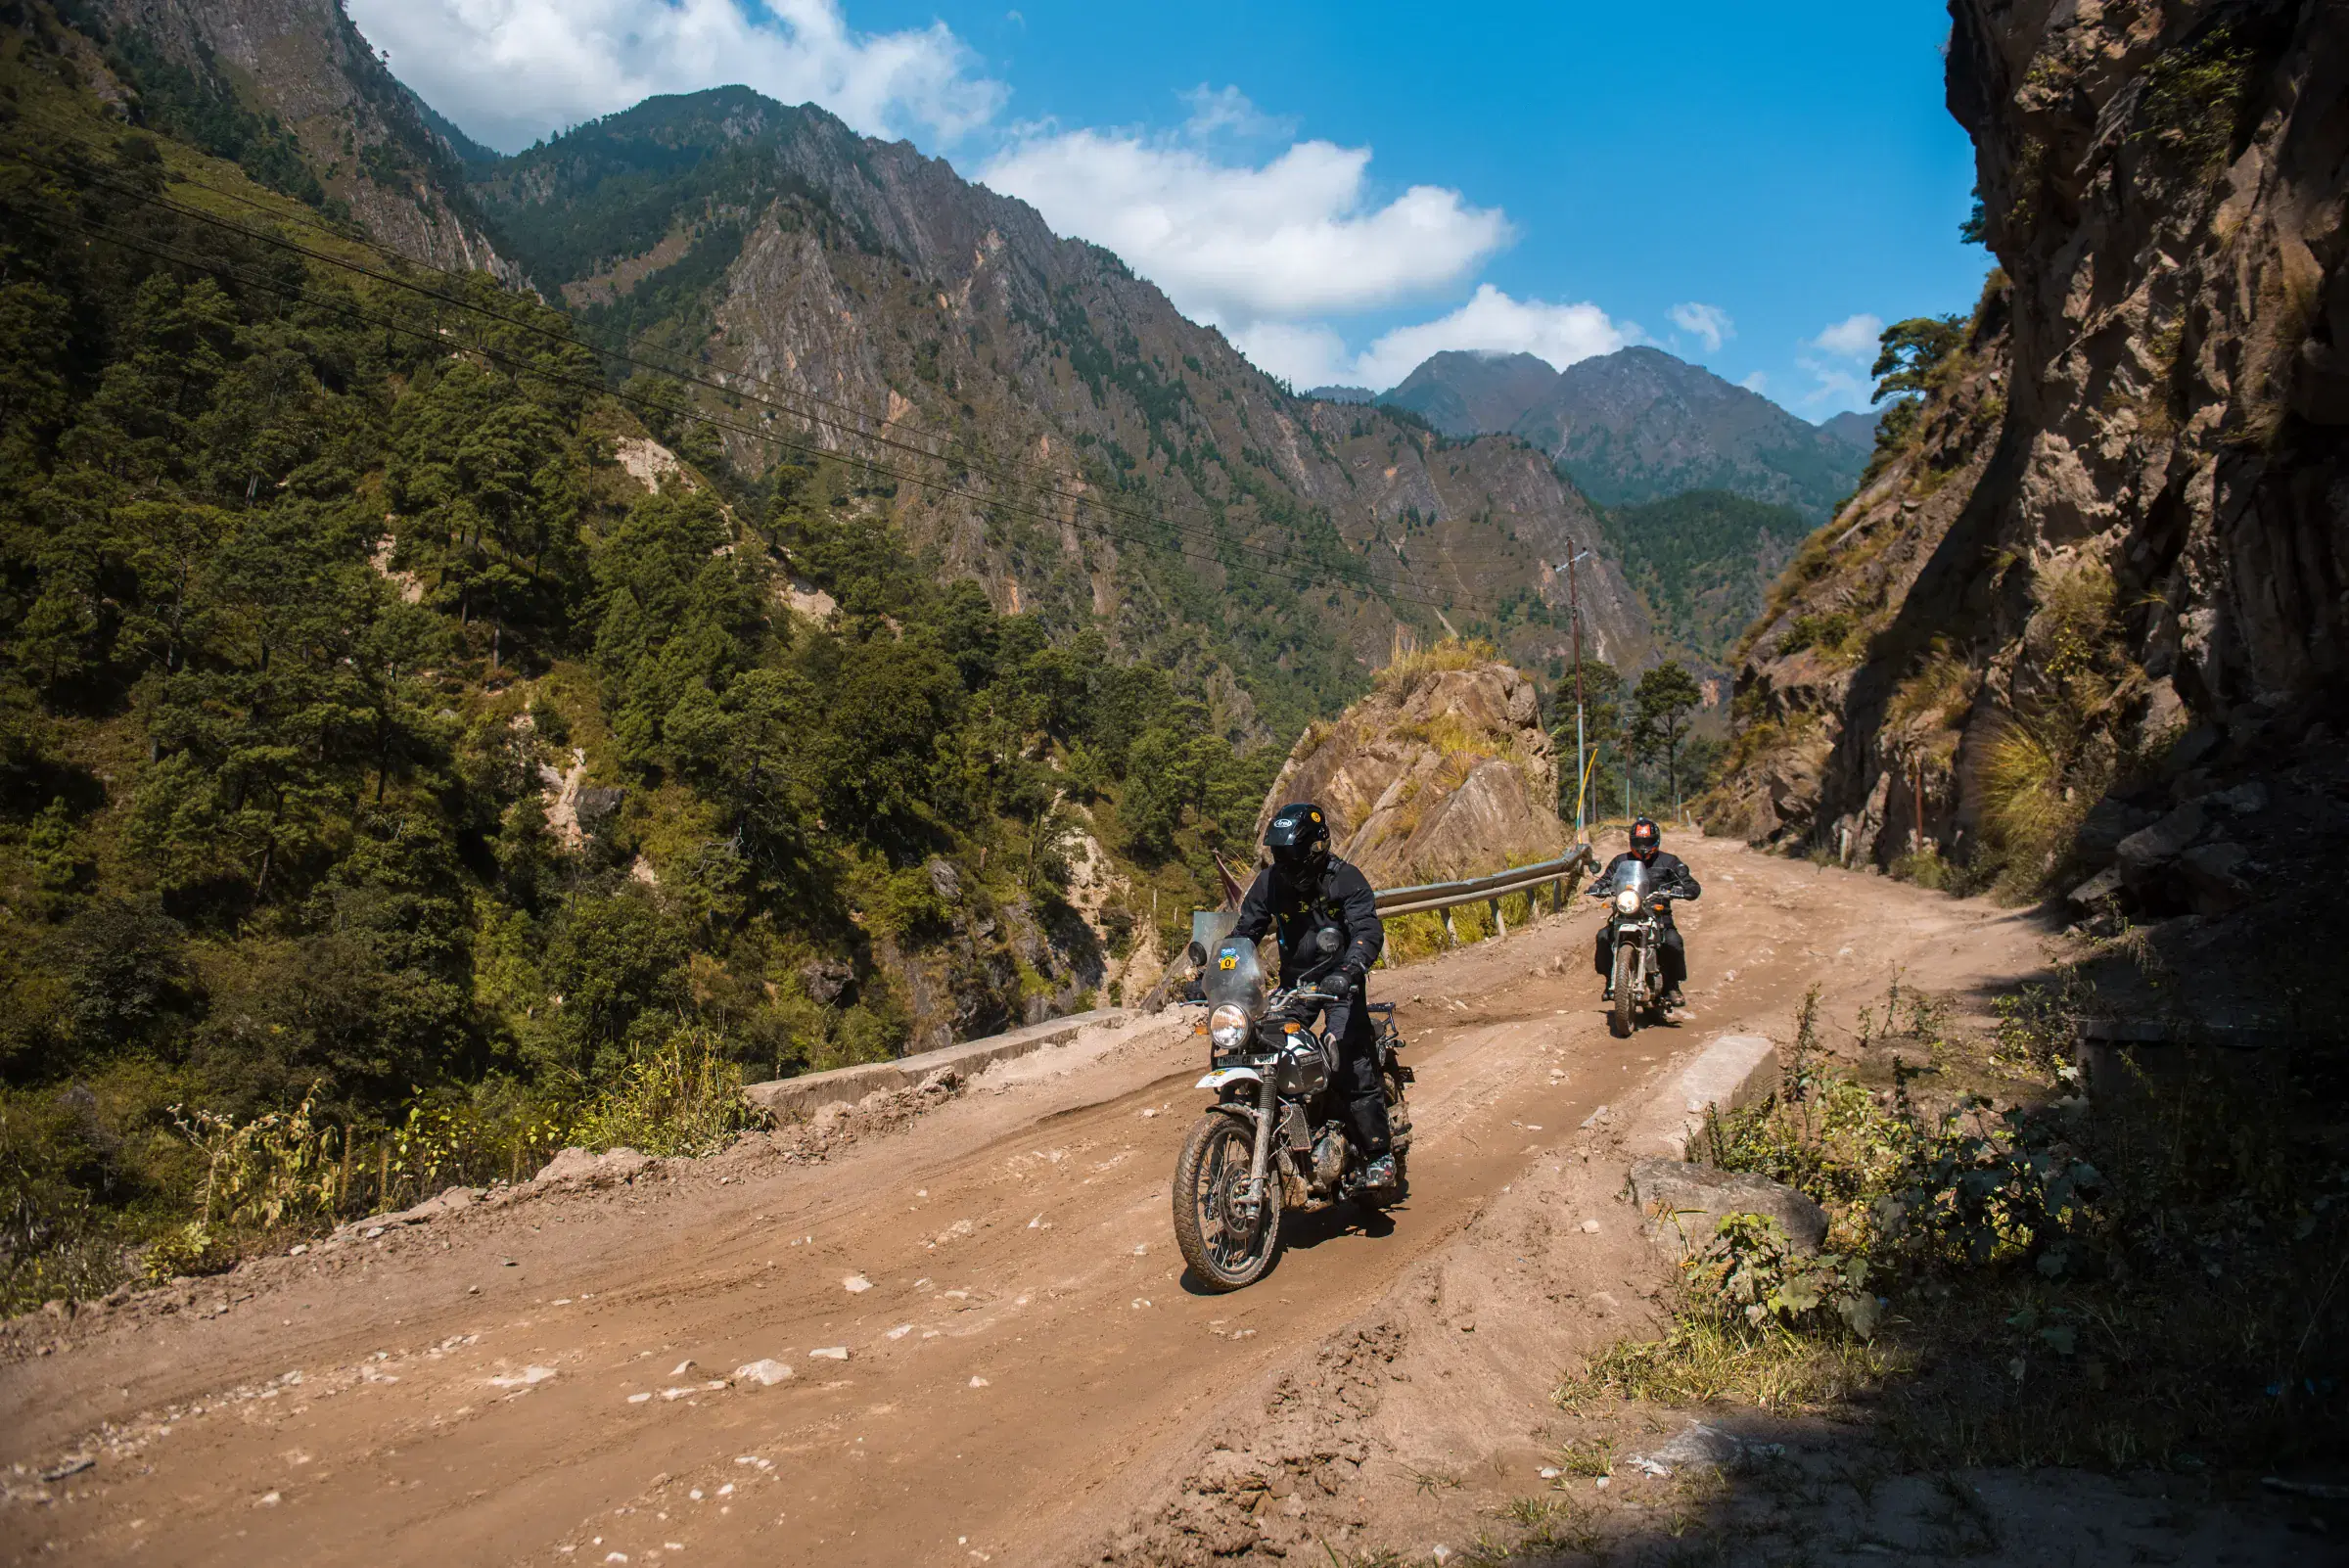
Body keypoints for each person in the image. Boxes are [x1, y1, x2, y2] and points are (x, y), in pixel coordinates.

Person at [1229, 802, 1397, 1189]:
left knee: (1344, 1055)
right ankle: (1280, 1135)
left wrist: (1350, 970)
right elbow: (1245, 932)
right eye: (1279, 853)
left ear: (1315, 848)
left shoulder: (1345, 879)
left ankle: (1378, 1153)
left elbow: (1366, 931)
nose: (1285, 861)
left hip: (1339, 984)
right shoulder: (1270, 883)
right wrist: (1215, 975)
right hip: (1295, 988)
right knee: (1260, 1049)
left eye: (1292, 853)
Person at [1590, 816, 1700, 1007]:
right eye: (1639, 842)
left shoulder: (1669, 862)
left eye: (1647, 842)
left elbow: (1689, 883)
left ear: (1656, 840)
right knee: (1602, 936)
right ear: (1632, 841)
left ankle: (1672, 985)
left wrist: (1685, 889)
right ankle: (1611, 979)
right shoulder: (1621, 861)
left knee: (1673, 942)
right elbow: (1606, 879)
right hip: (1626, 913)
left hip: (1658, 915)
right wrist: (1598, 886)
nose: (1643, 846)